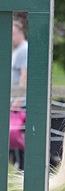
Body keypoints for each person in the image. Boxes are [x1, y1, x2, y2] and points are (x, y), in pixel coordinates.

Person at [10, 18, 27, 167]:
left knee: (19, 134)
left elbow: (24, 75)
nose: (11, 37)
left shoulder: (23, 50)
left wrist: (18, 98)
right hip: (16, 99)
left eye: (13, 33)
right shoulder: (17, 50)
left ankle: (21, 165)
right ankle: (18, 163)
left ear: (21, 33)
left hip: (21, 101)